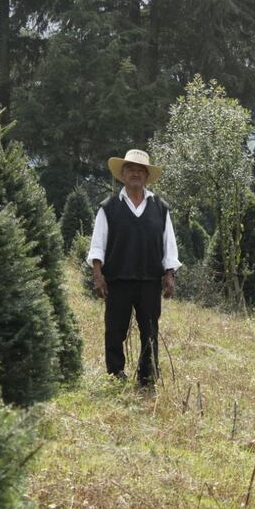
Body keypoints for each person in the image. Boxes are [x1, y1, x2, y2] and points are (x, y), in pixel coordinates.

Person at [87, 149, 181, 388]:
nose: (136, 173)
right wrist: (97, 275)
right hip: (117, 280)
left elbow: (168, 244)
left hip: (150, 280)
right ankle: (115, 375)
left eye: (141, 170)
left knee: (149, 331)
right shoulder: (108, 207)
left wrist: (169, 274)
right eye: (131, 169)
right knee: (114, 330)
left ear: (147, 176)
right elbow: (98, 244)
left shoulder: (160, 207)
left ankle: (147, 377)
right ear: (123, 174)